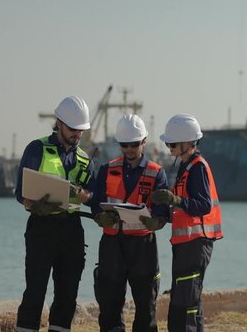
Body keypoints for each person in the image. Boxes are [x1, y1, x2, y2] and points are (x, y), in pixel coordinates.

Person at [14, 95, 96, 332]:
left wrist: (86, 197)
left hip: (72, 230)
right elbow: (20, 192)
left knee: (67, 294)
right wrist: (33, 205)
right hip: (42, 228)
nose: (77, 134)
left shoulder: (85, 160)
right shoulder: (37, 149)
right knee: (35, 292)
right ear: (58, 123)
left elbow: (94, 198)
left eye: (81, 130)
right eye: (73, 129)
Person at [90, 114, 170, 332]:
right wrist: (100, 216)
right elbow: (96, 204)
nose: (129, 149)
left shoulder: (156, 173)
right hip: (112, 245)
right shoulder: (106, 169)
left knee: (146, 308)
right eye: (124, 145)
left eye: (134, 144)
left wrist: (158, 222)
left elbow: (163, 211)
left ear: (143, 142)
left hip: (143, 246)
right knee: (109, 307)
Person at [150, 114, 223, 332]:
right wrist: (163, 215)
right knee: (186, 298)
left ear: (188, 143)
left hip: (196, 244)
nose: (169, 147)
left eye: (172, 143)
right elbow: (185, 210)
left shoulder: (197, 167)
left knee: (187, 301)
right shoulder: (186, 166)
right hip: (186, 243)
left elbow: (203, 206)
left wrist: (176, 200)